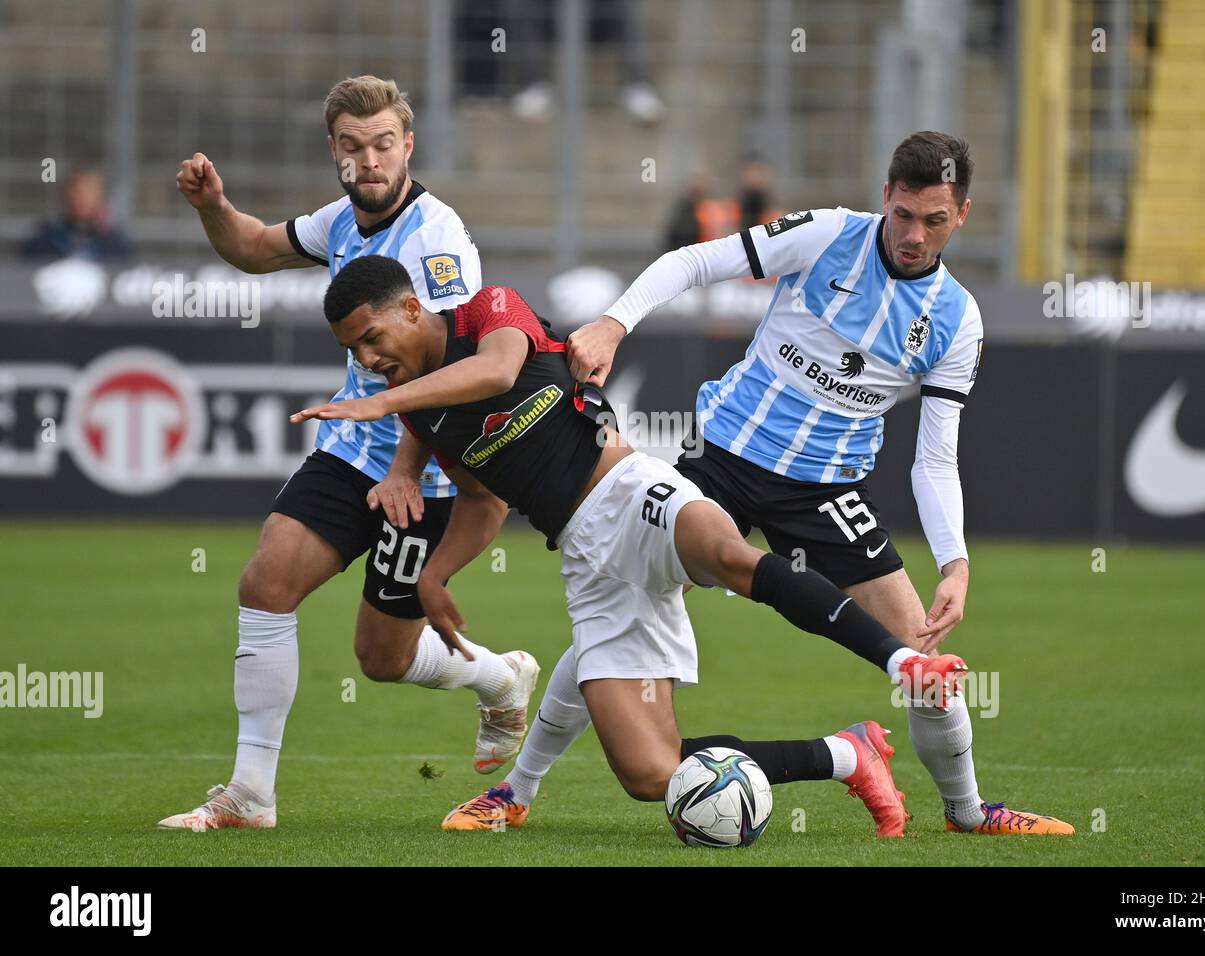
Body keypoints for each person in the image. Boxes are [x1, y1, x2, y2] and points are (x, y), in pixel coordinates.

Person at [462, 131, 1074, 836]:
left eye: (933, 221)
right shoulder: (825, 236)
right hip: (723, 457)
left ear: (961, 216)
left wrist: (956, 564)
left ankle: (968, 813)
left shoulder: (957, 319)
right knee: (621, 607)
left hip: (828, 490)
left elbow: (935, 458)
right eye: (904, 214)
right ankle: (517, 788)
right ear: (886, 197)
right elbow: (697, 260)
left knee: (920, 652)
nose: (913, 234)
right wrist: (613, 322)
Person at [289, 256, 972, 837]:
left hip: (630, 488)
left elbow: (498, 372)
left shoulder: (486, 310)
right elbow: (480, 499)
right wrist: (436, 576)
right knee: (651, 774)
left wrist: (374, 406)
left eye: (371, 337)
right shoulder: (419, 407)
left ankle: (903, 660)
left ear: (412, 309)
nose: (367, 360)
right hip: (589, 559)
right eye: (352, 353)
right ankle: (846, 756)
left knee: (728, 554)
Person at [158, 76, 537, 832]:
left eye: (384, 144)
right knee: (265, 584)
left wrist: (405, 467)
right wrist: (213, 209)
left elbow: (447, 360)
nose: (370, 160)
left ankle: (501, 679)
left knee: (382, 659)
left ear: (408, 146)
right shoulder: (341, 220)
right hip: (350, 447)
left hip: (427, 463)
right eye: (354, 147)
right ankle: (251, 795)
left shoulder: (437, 239)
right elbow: (257, 248)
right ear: (335, 151)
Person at [22, 168, 133, 262]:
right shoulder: (43, 242)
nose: (82, 198)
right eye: (77, 191)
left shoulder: (115, 245)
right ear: (65, 196)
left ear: (101, 197)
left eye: (90, 192)